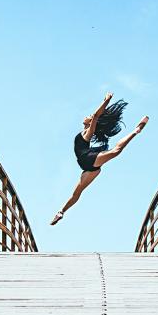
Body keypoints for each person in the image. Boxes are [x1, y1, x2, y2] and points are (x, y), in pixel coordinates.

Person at [51, 92, 148, 225]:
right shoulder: (85, 131)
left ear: (92, 122)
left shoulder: (88, 132)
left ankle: (136, 131)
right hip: (87, 166)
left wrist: (106, 100)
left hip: (88, 159)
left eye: (90, 116)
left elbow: (96, 115)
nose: (87, 116)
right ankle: (61, 212)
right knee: (77, 193)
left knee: (115, 151)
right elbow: (95, 116)